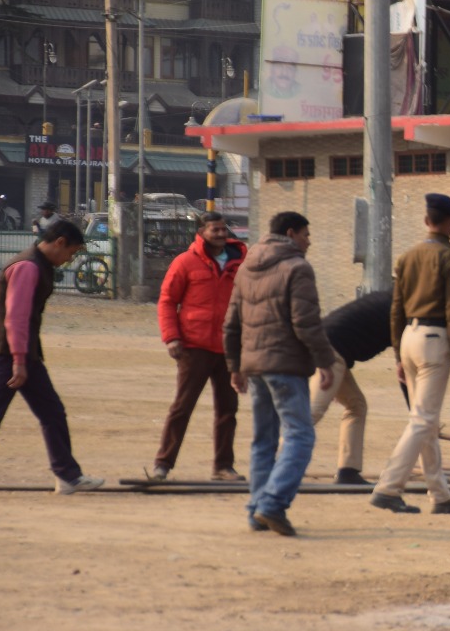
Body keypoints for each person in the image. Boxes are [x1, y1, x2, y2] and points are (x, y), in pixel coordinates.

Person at [223, 211, 336, 537]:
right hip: (286, 367)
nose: (309, 241)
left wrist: (235, 366)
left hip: (255, 366)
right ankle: (272, 503)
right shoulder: (297, 268)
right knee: (300, 436)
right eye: (306, 234)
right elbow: (306, 322)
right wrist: (325, 361)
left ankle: (256, 510)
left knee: (263, 441)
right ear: (290, 233)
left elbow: (231, 323)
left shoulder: (246, 268)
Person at [0, 221, 103, 498]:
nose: (69, 259)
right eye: (71, 252)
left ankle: (68, 475)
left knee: (51, 412)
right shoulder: (28, 267)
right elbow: (16, 318)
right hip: (11, 354)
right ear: (59, 242)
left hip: (24, 353)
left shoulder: (39, 264)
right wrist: (19, 361)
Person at [370, 194, 450, 516]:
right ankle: (388, 487)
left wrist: (398, 354)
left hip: (409, 339)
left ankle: (440, 495)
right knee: (423, 420)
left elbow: (396, 308)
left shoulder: (407, 257)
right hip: (434, 340)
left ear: (427, 221)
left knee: (426, 421)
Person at [151, 211, 247, 482]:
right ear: (201, 231)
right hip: (194, 346)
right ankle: (163, 463)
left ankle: (223, 466)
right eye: (214, 230)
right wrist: (171, 337)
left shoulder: (242, 262)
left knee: (228, 410)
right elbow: (167, 301)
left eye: (223, 229)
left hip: (229, 347)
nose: (220, 234)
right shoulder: (185, 262)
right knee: (182, 406)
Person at [312, 289, 392, 485]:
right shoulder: (399, 306)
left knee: (356, 405)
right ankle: (278, 464)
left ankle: (348, 470)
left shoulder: (389, 298)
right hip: (328, 351)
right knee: (312, 411)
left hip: (328, 346)